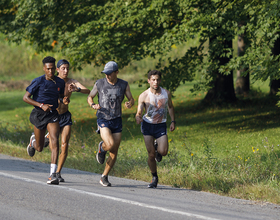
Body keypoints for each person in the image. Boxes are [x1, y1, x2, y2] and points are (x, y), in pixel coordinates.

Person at [87, 61, 134, 187]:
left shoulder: (123, 85)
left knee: (114, 151)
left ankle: (104, 176)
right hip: (103, 118)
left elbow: (131, 99)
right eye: (105, 73)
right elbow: (90, 96)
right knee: (110, 144)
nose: (107, 75)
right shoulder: (100, 83)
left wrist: (130, 103)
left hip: (117, 120)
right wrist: (93, 104)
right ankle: (102, 148)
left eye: (110, 73)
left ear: (116, 72)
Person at [23, 56, 69, 185]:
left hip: (52, 114)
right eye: (48, 69)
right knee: (39, 147)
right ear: (44, 68)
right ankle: (33, 142)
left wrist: (63, 100)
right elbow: (26, 98)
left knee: (55, 140)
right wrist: (40, 105)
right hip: (39, 114)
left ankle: (52, 174)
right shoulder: (38, 81)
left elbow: (59, 98)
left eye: (53, 69)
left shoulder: (60, 82)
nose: (50, 71)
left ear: (55, 68)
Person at [45, 59, 90, 182]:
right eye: (63, 68)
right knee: (55, 145)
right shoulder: (53, 81)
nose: (65, 71)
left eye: (67, 68)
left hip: (65, 116)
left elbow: (88, 91)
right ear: (58, 69)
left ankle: (58, 172)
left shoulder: (72, 82)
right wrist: (61, 101)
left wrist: (77, 89)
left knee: (64, 145)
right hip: (53, 115)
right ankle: (44, 138)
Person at [135, 70, 175, 188]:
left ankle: (158, 147)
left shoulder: (166, 93)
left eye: (157, 79)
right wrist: (138, 116)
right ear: (149, 81)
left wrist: (173, 121)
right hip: (147, 125)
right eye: (153, 80)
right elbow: (139, 110)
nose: (155, 82)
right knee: (151, 155)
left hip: (160, 125)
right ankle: (154, 177)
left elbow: (171, 107)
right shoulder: (144, 95)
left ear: (160, 80)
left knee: (163, 152)